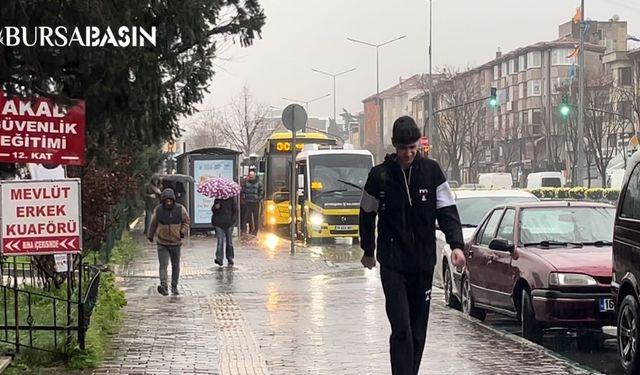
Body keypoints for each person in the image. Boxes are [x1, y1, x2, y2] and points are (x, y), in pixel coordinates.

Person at [359, 115, 466, 375]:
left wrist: (456, 245)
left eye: (412, 147)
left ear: (418, 145)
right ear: (394, 146)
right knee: (402, 329)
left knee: (418, 332)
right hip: (393, 264)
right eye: (403, 148)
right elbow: (366, 213)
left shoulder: (432, 172)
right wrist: (368, 251)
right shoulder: (379, 176)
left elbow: (447, 210)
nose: (408, 153)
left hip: (422, 263)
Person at [147, 188, 190, 296]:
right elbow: (153, 223)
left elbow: (186, 221)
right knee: (163, 265)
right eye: (167, 201)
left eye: (170, 201)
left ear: (173, 200)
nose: (169, 203)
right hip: (162, 243)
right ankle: (164, 286)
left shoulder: (180, 209)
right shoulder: (159, 210)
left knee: (176, 265)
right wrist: (150, 235)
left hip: (176, 243)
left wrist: (182, 232)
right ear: (163, 201)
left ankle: (174, 286)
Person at [211, 196, 238, 266]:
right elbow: (213, 210)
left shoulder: (232, 199)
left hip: (229, 223)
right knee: (220, 241)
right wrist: (216, 208)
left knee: (229, 241)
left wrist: (232, 221)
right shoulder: (218, 198)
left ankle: (230, 258)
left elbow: (235, 211)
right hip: (219, 223)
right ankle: (219, 258)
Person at [241, 169, 263, 235]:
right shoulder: (246, 183)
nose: (251, 178)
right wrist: (244, 198)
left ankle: (256, 230)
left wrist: (258, 198)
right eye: (250, 176)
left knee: (256, 216)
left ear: (254, 176)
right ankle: (249, 229)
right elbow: (243, 191)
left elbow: (262, 191)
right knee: (247, 216)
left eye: (252, 176)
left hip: (256, 202)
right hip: (248, 202)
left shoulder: (259, 183)